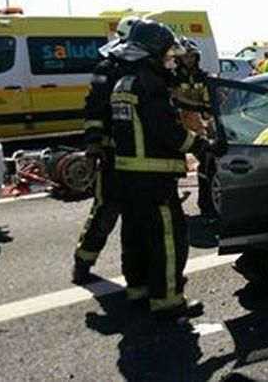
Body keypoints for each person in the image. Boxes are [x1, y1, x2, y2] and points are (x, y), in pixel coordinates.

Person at [110, 19, 210, 320]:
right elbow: (167, 131)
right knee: (167, 241)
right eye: (167, 55)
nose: (171, 61)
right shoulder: (149, 84)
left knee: (136, 236)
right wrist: (201, 145)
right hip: (153, 178)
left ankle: (139, 291)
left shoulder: (124, 82)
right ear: (152, 53)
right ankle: (168, 302)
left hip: (128, 175)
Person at [72, 15, 139, 284]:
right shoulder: (108, 69)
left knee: (137, 217)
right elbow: (94, 109)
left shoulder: (148, 69)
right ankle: (83, 263)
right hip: (113, 153)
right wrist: (93, 143)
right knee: (106, 209)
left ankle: (137, 278)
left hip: (142, 156)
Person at [172, 37, 214, 219]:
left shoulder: (203, 76)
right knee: (172, 165)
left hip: (197, 122)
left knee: (205, 159)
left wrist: (205, 109)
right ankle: (172, 207)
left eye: (192, 56)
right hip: (176, 122)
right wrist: (197, 105)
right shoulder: (171, 76)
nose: (189, 59)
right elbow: (174, 98)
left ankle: (205, 204)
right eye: (185, 56)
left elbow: (208, 102)